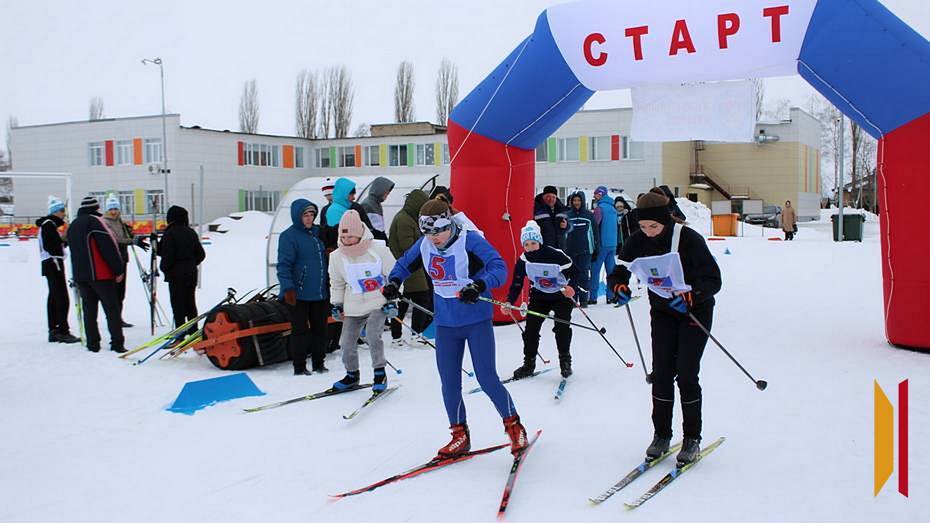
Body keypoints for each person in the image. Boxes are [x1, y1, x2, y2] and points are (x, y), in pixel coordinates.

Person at [385, 199, 529, 457]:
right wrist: (394, 280)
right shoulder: (425, 243)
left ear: (449, 224)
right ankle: (459, 435)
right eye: (428, 233)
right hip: (446, 323)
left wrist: (479, 285)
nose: (434, 238)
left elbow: (499, 267)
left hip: (476, 321)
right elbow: (404, 263)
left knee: (486, 378)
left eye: (438, 231)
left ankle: (514, 426)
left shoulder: (469, 240)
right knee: (449, 383)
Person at [607, 191, 722, 465]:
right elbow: (619, 270)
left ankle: (692, 437)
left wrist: (693, 295)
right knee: (661, 374)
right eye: (643, 226)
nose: (647, 232)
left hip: (694, 312)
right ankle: (661, 434)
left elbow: (714, 279)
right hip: (662, 313)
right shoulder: (637, 240)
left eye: (653, 227)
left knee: (686, 373)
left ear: (666, 222)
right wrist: (618, 286)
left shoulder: (688, 239)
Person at [329, 210, 396, 392]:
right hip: (353, 305)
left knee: (373, 335)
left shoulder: (379, 249)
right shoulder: (336, 256)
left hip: (378, 301)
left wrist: (392, 299)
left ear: (359, 234)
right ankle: (352, 374)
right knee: (346, 342)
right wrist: (337, 304)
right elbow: (337, 283)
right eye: (344, 236)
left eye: (351, 236)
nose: (347, 240)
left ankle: (380, 373)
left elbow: (395, 275)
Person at [506, 221, 576, 378]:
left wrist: (572, 287)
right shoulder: (523, 260)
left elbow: (575, 271)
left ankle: (565, 361)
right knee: (530, 330)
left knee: (562, 328)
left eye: (533, 243)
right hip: (539, 296)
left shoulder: (555, 254)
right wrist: (509, 301)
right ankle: (528, 364)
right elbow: (517, 283)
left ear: (540, 241)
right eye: (526, 244)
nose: (530, 247)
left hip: (560, 296)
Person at [66, 196, 126, 353]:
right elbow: (108, 247)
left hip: (81, 275)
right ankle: (117, 343)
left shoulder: (73, 225)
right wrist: (118, 270)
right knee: (112, 309)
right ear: (95, 208)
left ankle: (93, 343)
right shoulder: (95, 222)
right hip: (101, 274)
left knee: (89, 311)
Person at [277, 199, 329, 375]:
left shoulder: (317, 233)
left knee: (320, 330)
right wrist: (288, 288)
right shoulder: (289, 237)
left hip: (320, 291)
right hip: (298, 293)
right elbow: (284, 265)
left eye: (311, 214)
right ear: (297, 216)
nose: (309, 218)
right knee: (300, 332)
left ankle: (318, 363)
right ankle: (299, 366)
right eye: (305, 215)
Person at [387, 189, 433, 346]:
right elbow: (408, 248)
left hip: (409, 267)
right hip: (410, 268)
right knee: (420, 299)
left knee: (403, 302)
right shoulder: (405, 220)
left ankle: (398, 336)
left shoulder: (407, 217)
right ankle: (414, 334)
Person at [101, 195, 149, 327]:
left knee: (121, 292)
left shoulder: (119, 221)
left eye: (116, 208)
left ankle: (118, 317)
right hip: (112, 260)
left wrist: (133, 235)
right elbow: (115, 239)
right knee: (114, 291)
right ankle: (113, 318)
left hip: (123, 259)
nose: (114, 211)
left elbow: (124, 236)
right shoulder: (105, 222)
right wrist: (132, 241)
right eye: (111, 209)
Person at [157, 205, 206, 336]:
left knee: (178, 303)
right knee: (190, 301)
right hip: (191, 272)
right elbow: (201, 254)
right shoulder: (191, 232)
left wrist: (165, 268)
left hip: (176, 274)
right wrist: (191, 263)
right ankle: (193, 329)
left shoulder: (170, 233)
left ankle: (180, 332)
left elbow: (166, 255)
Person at [37, 196, 80, 343]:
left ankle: (55, 329)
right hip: (53, 262)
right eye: (62, 210)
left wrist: (62, 242)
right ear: (55, 211)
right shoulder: (48, 225)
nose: (64, 213)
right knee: (61, 297)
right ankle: (62, 330)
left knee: (55, 296)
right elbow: (51, 246)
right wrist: (62, 241)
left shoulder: (49, 225)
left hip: (52, 262)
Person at [320, 177, 377, 250]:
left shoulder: (347, 207)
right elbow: (337, 236)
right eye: (351, 195)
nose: (354, 198)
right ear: (343, 194)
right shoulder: (334, 211)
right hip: (344, 250)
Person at [564, 191, 597, 307]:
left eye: (578, 200)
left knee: (583, 275)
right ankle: (572, 299)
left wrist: (596, 249)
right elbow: (563, 234)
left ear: (582, 201)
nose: (576, 202)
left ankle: (583, 300)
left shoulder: (588, 215)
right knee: (572, 276)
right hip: (570, 251)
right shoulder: (567, 215)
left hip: (585, 251)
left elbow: (595, 233)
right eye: (574, 200)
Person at [591, 186, 618, 304]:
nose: (594, 196)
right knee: (611, 272)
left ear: (600, 194)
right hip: (613, 244)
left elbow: (595, 225)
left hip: (602, 244)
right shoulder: (613, 208)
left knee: (595, 271)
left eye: (595, 194)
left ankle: (592, 297)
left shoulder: (599, 209)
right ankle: (611, 296)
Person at [533, 185, 569, 249]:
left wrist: (566, 226)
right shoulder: (536, 208)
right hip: (543, 248)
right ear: (543, 196)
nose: (551, 199)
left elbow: (570, 225)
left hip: (560, 247)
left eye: (553, 197)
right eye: (548, 196)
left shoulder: (561, 209)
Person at [359, 176, 394, 241]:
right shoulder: (367, 205)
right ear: (380, 190)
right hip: (373, 240)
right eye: (386, 193)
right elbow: (373, 228)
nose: (387, 196)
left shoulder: (376, 204)